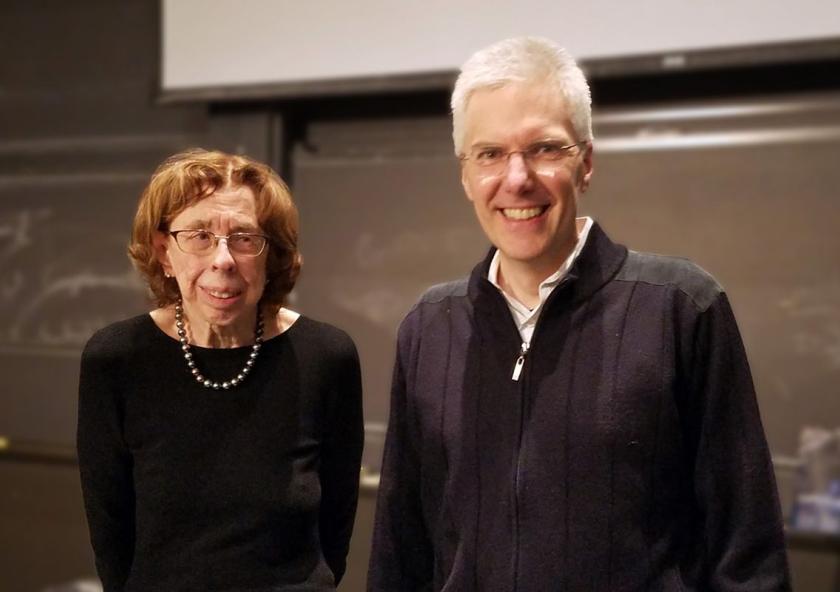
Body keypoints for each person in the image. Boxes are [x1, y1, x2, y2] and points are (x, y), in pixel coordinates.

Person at [368, 37, 791, 591]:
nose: (516, 178)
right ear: (465, 174)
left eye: (544, 149)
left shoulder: (681, 308)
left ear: (585, 163)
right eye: (490, 153)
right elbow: (401, 552)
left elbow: (747, 551)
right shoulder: (429, 328)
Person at [77, 149, 364, 591]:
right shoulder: (116, 359)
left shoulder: (326, 356)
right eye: (199, 236)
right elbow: (111, 532)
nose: (224, 259)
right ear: (164, 253)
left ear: (272, 257)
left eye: (245, 238)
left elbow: (337, 522)